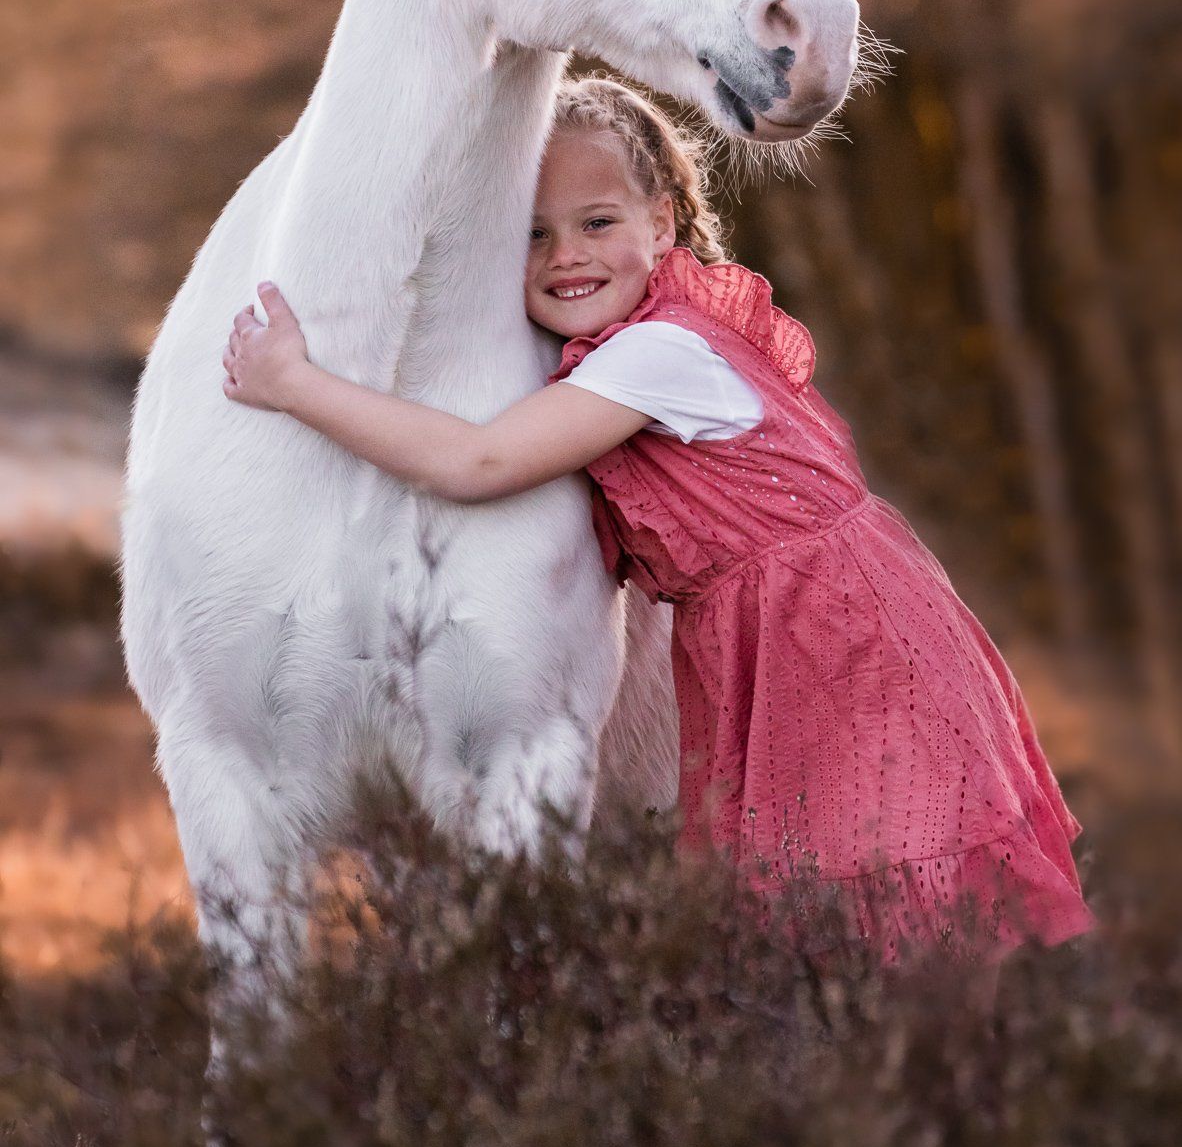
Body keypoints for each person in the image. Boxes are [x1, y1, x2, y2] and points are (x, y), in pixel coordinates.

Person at [222, 77, 1094, 967]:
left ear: (665, 224)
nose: (566, 255)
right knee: (821, 895)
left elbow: (477, 461)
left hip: (835, 637)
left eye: (597, 222)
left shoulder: (658, 354)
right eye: (530, 234)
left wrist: (296, 383)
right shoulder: (625, 351)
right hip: (795, 630)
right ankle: (896, 1071)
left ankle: (943, 1074)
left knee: (874, 876)